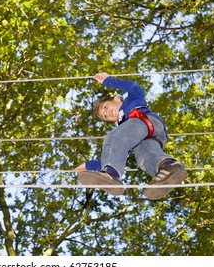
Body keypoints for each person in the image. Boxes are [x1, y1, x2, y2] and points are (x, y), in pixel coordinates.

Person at [74, 72, 187, 200]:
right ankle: (169, 167)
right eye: (105, 116)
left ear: (116, 98)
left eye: (105, 107)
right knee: (144, 158)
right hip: (149, 138)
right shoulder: (123, 128)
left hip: (145, 121)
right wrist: (89, 165)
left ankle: (110, 174)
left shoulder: (132, 100)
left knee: (115, 137)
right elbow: (117, 155)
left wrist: (109, 81)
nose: (107, 113)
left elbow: (134, 86)